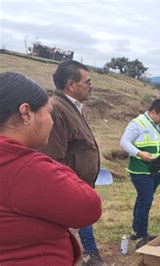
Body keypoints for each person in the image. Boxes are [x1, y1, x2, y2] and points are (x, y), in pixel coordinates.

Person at [0, 72, 102, 265]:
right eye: (48, 113)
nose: (51, 121)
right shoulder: (25, 167)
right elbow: (89, 207)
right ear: (26, 113)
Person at [40, 61, 104, 266]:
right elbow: (53, 158)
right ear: (71, 85)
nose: (91, 86)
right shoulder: (57, 109)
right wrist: (72, 188)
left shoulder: (72, 107)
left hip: (79, 186)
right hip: (69, 188)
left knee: (76, 227)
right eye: (87, 82)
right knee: (62, 236)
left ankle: (87, 253)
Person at [120, 98, 160, 249]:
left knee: (143, 200)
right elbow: (124, 142)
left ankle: (136, 230)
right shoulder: (137, 123)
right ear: (153, 112)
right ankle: (141, 236)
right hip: (140, 170)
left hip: (155, 169)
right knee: (146, 201)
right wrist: (139, 153)